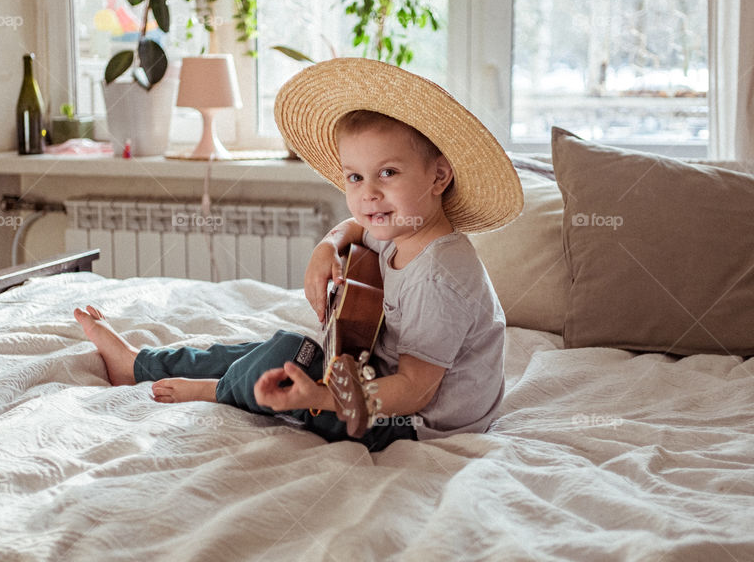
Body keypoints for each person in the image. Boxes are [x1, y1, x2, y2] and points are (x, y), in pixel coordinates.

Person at [74, 58, 523, 451]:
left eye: (388, 172)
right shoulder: (400, 223)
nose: (369, 195)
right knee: (270, 347)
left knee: (290, 355)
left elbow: (414, 390)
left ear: (439, 176)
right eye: (354, 177)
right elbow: (353, 228)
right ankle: (138, 364)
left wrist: (323, 398)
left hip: (412, 424)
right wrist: (326, 248)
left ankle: (216, 391)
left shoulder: (439, 277)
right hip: (372, 375)